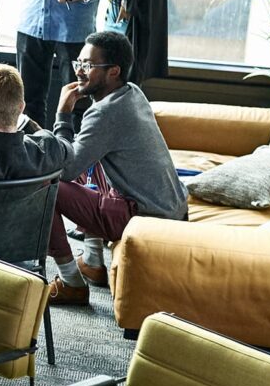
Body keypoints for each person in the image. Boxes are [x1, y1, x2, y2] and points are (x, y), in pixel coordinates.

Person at [46, 31, 187, 305]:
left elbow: (65, 171)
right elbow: (85, 155)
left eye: (88, 65)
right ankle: (92, 261)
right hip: (172, 208)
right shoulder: (133, 92)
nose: (79, 71)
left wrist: (62, 115)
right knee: (92, 157)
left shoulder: (104, 113)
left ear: (114, 71)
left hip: (147, 217)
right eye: (79, 62)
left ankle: (72, 283)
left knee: (46, 186)